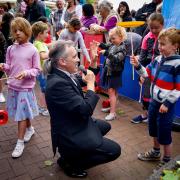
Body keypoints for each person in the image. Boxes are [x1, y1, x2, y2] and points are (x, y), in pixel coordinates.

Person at [44, 40, 121, 178]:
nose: (78, 59)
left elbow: (85, 79)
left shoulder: (62, 73)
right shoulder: (57, 84)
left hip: (76, 121)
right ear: (62, 61)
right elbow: (86, 109)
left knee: (105, 126)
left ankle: (76, 152)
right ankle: (71, 163)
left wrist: (93, 61)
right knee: (114, 151)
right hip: (69, 130)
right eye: (74, 56)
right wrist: (91, 85)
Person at [130, 28, 180, 168]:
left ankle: (167, 160)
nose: (159, 47)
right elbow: (146, 73)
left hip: (165, 106)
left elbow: (178, 88)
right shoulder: (158, 59)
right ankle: (156, 152)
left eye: (163, 44)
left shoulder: (177, 64)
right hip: (154, 102)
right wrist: (137, 65)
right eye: (159, 44)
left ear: (175, 46)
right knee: (153, 128)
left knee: (164, 132)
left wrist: (168, 103)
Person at [0, 17, 41, 158]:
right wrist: (3, 66)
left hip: (25, 88)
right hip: (13, 87)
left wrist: (26, 73)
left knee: (21, 115)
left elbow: (37, 69)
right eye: (15, 30)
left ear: (27, 31)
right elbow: (10, 67)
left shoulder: (33, 50)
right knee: (23, 112)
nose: (17, 33)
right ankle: (30, 129)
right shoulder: (11, 49)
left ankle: (20, 141)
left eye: (20, 30)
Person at [131, 13, 164, 124]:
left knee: (158, 95)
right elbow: (143, 56)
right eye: (151, 28)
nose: (154, 30)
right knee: (145, 94)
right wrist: (141, 74)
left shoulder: (165, 37)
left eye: (157, 28)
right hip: (148, 70)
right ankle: (145, 115)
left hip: (162, 71)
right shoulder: (147, 37)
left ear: (162, 25)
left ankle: (155, 116)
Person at [96, 26, 127, 121]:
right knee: (114, 92)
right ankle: (112, 108)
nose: (111, 40)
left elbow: (117, 59)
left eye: (113, 38)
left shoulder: (122, 49)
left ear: (121, 37)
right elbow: (107, 46)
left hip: (115, 73)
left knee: (111, 91)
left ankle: (112, 113)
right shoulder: (113, 45)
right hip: (110, 71)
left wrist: (106, 53)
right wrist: (100, 44)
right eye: (111, 38)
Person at [32, 21, 49, 116]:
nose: (48, 35)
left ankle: (42, 107)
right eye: (46, 32)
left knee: (43, 90)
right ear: (40, 34)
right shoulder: (39, 44)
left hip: (43, 72)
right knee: (46, 91)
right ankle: (45, 108)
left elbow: (47, 45)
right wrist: (52, 53)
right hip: (43, 72)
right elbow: (42, 56)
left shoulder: (39, 42)